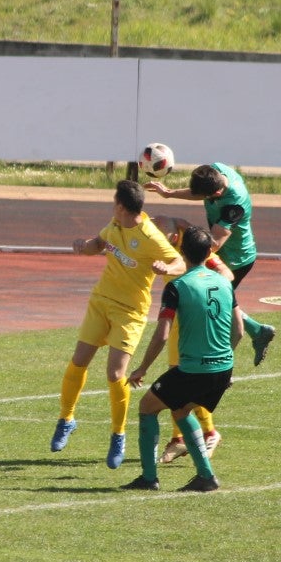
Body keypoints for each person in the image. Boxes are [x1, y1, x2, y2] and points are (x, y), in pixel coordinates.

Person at [51, 180, 184, 469]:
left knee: (115, 374)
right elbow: (99, 243)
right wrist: (83, 247)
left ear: (121, 206)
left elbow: (180, 263)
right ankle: (66, 419)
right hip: (101, 302)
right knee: (78, 361)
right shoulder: (115, 223)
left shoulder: (150, 236)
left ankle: (118, 435)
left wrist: (167, 268)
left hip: (130, 312)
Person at [123, 226, 242, 492]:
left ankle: (149, 478)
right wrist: (226, 360)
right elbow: (240, 330)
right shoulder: (224, 282)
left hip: (193, 370)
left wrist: (142, 368)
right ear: (209, 252)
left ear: (182, 252)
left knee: (147, 407)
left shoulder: (177, 286)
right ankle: (205, 477)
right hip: (222, 368)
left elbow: (162, 335)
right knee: (181, 409)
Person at [146, 162, 275, 364]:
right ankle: (258, 332)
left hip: (236, 258)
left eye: (208, 197)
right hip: (220, 254)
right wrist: (169, 193)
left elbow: (212, 245)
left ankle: (223, 361)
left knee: (214, 307)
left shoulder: (235, 204)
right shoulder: (214, 170)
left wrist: (183, 226)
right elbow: (198, 192)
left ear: (217, 192)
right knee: (212, 303)